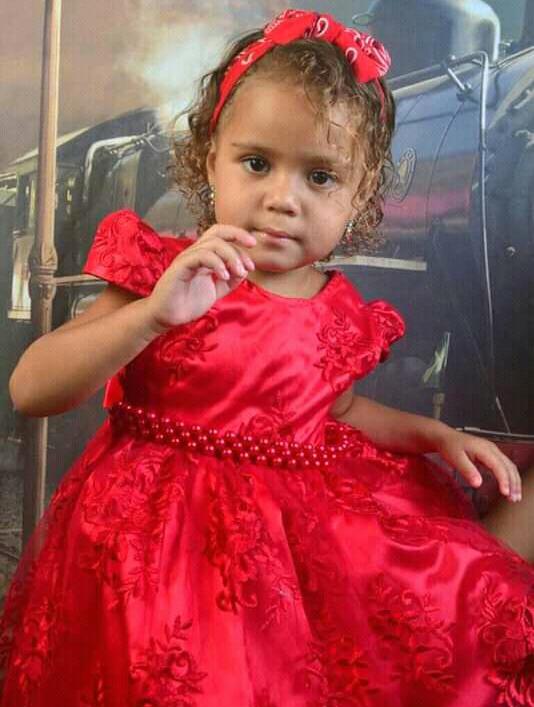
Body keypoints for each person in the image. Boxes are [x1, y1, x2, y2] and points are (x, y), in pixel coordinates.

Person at [1, 9, 532, 706]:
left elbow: (340, 408)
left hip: (285, 550)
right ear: (210, 161)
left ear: (360, 195)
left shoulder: (340, 308)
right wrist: (151, 314)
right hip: (154, 543)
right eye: (257, 163)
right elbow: (31, 387)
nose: (283, 198)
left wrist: (434, 433)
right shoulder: (164, 269)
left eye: (321, 177)